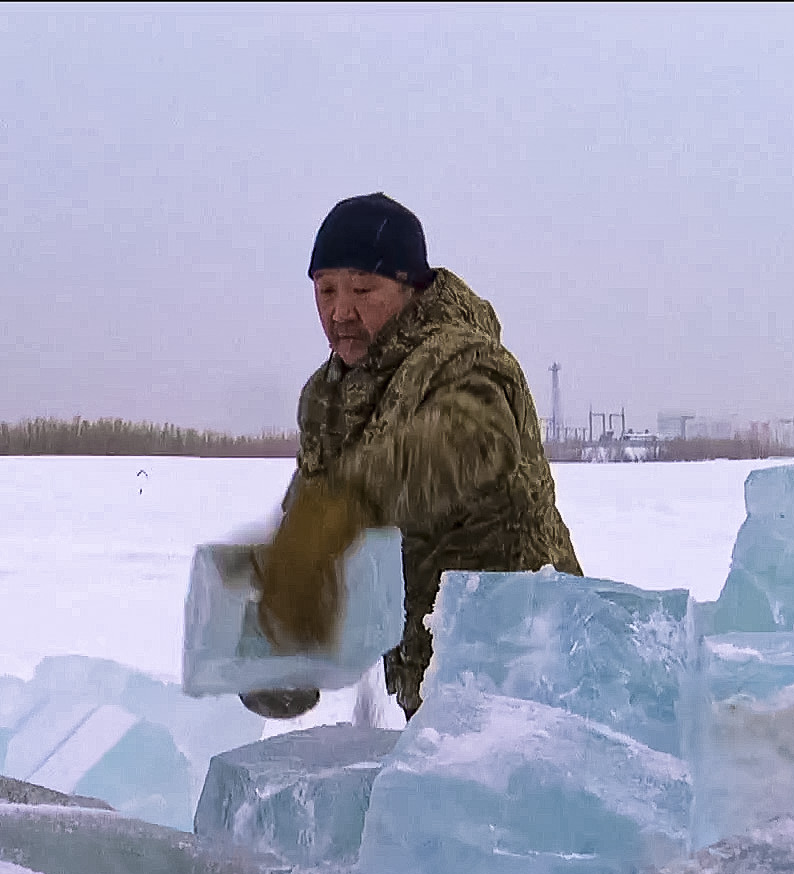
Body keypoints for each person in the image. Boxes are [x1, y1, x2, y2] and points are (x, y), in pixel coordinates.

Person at [242, 193, 582, 721]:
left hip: (529, 666)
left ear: (410, 289)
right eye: (326, 289)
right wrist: (285, 640)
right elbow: (310, 529)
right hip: (426, 675)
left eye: (362, 289)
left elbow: (471, 440)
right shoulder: (325, 397)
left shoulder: (465, 358)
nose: (340, 312)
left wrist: (348, 505)